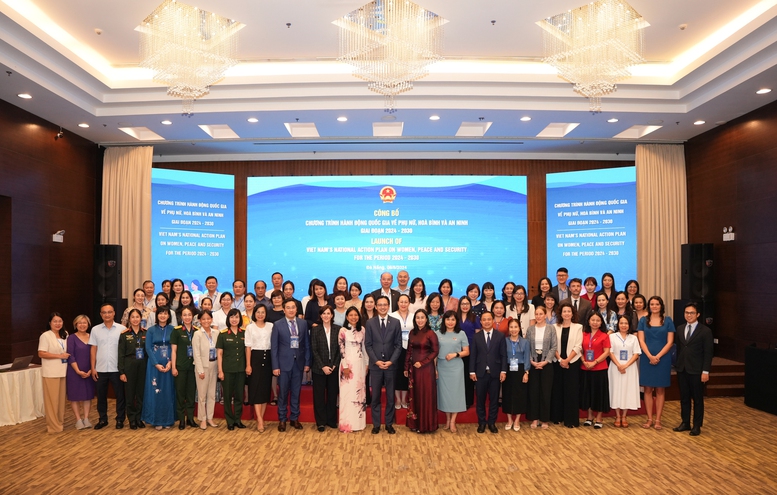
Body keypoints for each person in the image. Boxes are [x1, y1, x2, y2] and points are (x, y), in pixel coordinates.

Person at [673, 302, 714, 436]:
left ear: (698, 314)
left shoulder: (705, 331)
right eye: (686, 313)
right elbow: (680, 348)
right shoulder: (680, 328)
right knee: (684, 397)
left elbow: (708, 353)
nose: (689, 315)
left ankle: (697, 425)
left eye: (691, 313)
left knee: (697, 399)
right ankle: (685, 422)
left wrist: (705, 371)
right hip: (682, 368)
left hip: (697, 370)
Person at [272, 299, 311, 432]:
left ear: (296, 309)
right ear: (284, 310)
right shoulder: (277, 324)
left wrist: (307, 362)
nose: (291, 310)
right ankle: (282, 419)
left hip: (298, 364)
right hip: (283, 365)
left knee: (296, 392)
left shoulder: (303, 323)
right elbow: (274, 347)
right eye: (288, 308)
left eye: (293, 307)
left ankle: (294, 418)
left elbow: (306, 344)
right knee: (283, 393)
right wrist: (275, 366)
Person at [365, 295, 402, 434]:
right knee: (375, 397)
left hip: (391, 366)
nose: (382, 307)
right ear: (376, 306)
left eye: (385, 305)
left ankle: (389, 424)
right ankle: (376, 424)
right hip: (376, 366)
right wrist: (376, 361)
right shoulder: (370, 323)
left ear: (388, 306)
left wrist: (391, 361)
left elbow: (398, 345)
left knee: (391, 397)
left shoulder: (395, 322)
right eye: (379, 305)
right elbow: (368, 345)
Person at [637, 296, 675, 430]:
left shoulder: (668, 320)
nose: (654, 306)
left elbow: (670, 342)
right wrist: (649, 356)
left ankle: (658, 419)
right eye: (652, 304)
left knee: (660, 389)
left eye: (657, 304)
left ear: (661, 306)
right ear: (649, 306)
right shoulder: (643, 320)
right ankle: (649, 419)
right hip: (646, 358)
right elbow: (641, 340)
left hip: (663, 359)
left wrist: (657, 356)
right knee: (647, 389)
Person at [89, 303, 126, 430]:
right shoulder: (95, 330)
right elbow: (93, 349)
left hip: (117, 369)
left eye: (109, 312)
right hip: (100, 369)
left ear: (114, 313)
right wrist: (93, 367)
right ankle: (103, 419)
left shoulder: (122, 329)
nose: (107, 314)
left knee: (120, 396)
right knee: (101, 396)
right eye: (104, 312)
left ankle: (120, 419)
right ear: (101, 314)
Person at [469, 311, 506, 433]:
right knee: (480, 400)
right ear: (481, 322)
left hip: (495, 373)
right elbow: (473, 355)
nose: (486, 322)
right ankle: (482, 423)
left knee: (494, 400)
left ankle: (492, 423)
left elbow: (503, 355)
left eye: (489, 319)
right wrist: (472, 371)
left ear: (493, 320)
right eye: (484, 319)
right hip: (480, 373)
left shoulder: (500, 336)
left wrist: (503, 371)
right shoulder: (476, 336)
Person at [404, 309, 440, 433]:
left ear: (426, 319)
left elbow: (435, 351)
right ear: (415, 320)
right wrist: (406, 367)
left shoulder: (431, 333)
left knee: (426, 395)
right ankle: (415, 424)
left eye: (422, 317)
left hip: (426, 369)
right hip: (414, 368)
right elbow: (409, 350)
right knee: (415, 395)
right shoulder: (412, 333)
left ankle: (427, 425)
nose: (420, 320)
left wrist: (423, 362)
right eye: (417, 318)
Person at [142, 306, 175, 430]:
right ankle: (156, 420)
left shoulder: (173, 329)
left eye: (165, 313)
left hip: (169, 364)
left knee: (168, 391)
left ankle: (168, 420)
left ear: (169, 316)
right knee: (155, 391)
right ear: (157, 316)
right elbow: (148, 348)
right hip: (154, 365)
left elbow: (174, 347)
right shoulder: (151, 330)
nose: (162, 316)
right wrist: (156, 364)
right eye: (160, 313)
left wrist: (171, 362)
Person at [435, 311, 469, 433]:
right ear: (444, 321)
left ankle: (453, 421)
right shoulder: (437, 334)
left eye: (453, 320)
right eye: (448, 319)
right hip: (442, 367)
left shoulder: (461, 334)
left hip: (456, 367)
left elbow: (466, 351)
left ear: (456, 321)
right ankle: (447, 419)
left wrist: (455, 354)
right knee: (444, 395)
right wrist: (434, 368)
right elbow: (434, 354)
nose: (450, 322)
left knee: (455, 394)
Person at [525, 305, 557, 429]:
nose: (538, 316)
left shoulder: (551, 328)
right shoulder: (530, 329)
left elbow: (554, 347)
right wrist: (531, 361)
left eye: (541, 314)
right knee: (534, 392)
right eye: (536, 314)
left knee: (545, 392)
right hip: (533, 362)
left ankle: (544, 419)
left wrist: (546, 361)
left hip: (546, 363)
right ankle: (534, 418)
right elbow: (527, 346)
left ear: (545, 315)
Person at [551, 302, 583, 428]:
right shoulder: (554, 327)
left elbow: (578, 346)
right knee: (558, 390)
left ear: (572, 313)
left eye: (569, 311)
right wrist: (560, 360)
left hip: (572, 363)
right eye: (564, 311)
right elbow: (553, 345)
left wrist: (567, 360)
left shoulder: (578, 327)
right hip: (557, 362)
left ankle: (570, 419)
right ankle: (557, 417)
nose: (566, 313)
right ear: (560, 313)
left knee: (571, 391)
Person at [339, 307, 370, 432]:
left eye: (355, 315)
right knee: (347, 394)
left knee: (359, 394)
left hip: (360, 364)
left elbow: (364, 348)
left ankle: (359, 424)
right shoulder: (343, 331)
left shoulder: (362, 329)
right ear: (347, 317)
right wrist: (345, 366)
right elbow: (341, 350)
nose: (353, 317)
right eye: (351, 315)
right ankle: (346, 424)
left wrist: (367, 363)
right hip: (347, 365)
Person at [311, 306, 341, 431]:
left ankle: (331, 420)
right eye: (324, 313)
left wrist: (334, 364)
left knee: (332, 395)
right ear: (320, 315)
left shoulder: (338, 329)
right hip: (319, 368)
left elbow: (340, 349)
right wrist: (322, 366)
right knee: (319, 396)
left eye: (328, 313)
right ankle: (321, 422)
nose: (326, 316)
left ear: (332, 315)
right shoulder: (315, 330)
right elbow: (314, 349)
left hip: (334, 367)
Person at [609, 315, 641, 428]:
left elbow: (636, 354)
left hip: (630, 368)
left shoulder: (633, 338)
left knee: (628, 390)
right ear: (618, 324)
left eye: (626, 323)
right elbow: (610, 352)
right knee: (616, 390)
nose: (624, 325)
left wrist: (625, 366)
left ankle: (624, 416)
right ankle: (617, 416)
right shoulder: (612, 337)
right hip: (615, 367)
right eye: (621, 323)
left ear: (629, 325)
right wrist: (619, 365)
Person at [38, 313, 69, 433]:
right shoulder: (45, 336)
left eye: (60, 321)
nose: (57, 324)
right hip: (51, 372)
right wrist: (59, 356)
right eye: (55, 321)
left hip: (63, 371)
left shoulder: (65, 334)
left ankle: (59, 422)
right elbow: (41, 353)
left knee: (61, 401)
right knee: (52, 401)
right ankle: (53, 426)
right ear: (50, 323)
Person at [579, 312, 611, 429]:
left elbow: (607, 352)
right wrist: (584, 361)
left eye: (598, 320)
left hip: (599, 368)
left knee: (599, 393)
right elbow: (579, 349)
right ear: (588, 321)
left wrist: (595, 362)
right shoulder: (583, 334)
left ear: (601, 322)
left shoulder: (604, 335)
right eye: (593, 320)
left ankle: (599, 418)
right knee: (587, 393)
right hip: (585, 368)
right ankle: (589, 416)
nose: (595, 322)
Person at [218, 308, 248, 430]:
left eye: (236, 317)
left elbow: (247, 351)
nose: (234, 319)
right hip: (227, 370)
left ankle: (237, 419)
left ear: (240, 319)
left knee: (239, 396)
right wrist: (220, 371)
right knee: (227, 396)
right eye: (232, 317)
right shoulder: (223, 334)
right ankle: (229, 420)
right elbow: (220, 354)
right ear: (228, 319)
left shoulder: (244, 333)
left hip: (240, 369)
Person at [244, 305, 273, 432]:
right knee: (255, 389)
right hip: (255, 358)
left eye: (263, 312)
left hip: (268, 358)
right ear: (254, 313)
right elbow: (248, 347)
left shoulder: (271, 326)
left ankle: (261, 417)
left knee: (265, 390)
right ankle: (260, 420)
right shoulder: (250, 327)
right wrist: (248, 364)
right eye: (258, 312)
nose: (260, 314)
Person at [118, 309, 147, 430]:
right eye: (133, 317)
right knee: (130, 394)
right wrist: (122, 372)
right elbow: (120, 354)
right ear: (129, 319)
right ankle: (132, 419)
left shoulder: (146, 333)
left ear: (141, 318)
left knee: (141, 393)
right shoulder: (124, 334)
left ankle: (139, 418)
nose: (135, 319)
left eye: (137, 317)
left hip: (143, 365)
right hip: (129, 364)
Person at [192, 310, 220, 429]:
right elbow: (196, 354)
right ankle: (202, 419)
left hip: (214, 366)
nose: (206, 321)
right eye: (203, 319)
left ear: (212, 319)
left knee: (212, 394)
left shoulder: (216, 333)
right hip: (202, 367)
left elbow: (219, 351)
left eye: (208, 318)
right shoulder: (197, 334)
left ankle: (210, 417)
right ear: (200, 321)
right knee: (202, 395)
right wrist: (200, 370)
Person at [66, 315, 95, 429]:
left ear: (88, 324)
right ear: (75, 325)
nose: (82, 325)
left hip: (89, 371)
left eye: (84, 323)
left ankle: (86, 418)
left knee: (88, 395)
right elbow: (70, 355)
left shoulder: (92, 337)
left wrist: (92, 369)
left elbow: (95, 353)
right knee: (75, 396)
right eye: (80, 323)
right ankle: (78, 419)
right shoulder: (71, 338)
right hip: (74, 371)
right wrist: (78, 371)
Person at [171, 307, 197, 429]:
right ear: (181, 317)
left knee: (191, 394)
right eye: (185, 315)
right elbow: (173, 351)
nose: (187, 317)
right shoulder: (176, 331)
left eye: (189, 315)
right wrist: (174, 367)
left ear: (192, 316)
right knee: (180, 394)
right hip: (180, 367)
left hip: (193, 367)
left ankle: (190, 418)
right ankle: (181, 419)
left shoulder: (197, 331)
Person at [502, 319, 530, 431]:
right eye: (511, 327)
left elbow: (527, 357)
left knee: (520, 395)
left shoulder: (525, 342)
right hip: (507, 369)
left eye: (516, 327)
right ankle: (509, 420)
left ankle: (517, 420)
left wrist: (526, 372)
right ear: (508, 329)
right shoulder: (504, 341)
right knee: (507, 394)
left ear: (519, 328)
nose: (513, 329)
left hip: (520, 369)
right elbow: (502, 356)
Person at [457, 297, 480, 409]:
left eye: (467, 304)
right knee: (458, 377)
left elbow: (478, 335)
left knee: (468, 376)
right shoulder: (455, 317)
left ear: (470, 305)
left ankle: (468, 400)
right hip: (457, 351)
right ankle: (457, 400)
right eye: (463, 304)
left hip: (470, 350)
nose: (465, 306)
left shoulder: (475, 318)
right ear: (459, 305)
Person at [390, 293, 413, 410]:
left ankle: (404, 398)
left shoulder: (414, 316)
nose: (403, 304)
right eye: (401, 302)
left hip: (410, 349)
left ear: (409, 303)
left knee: (406, 374)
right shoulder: (391, 315)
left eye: (406, 302)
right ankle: (397, 399)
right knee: (396, 374)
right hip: (395, 348)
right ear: (397, 303)